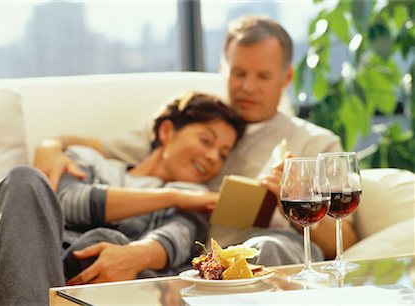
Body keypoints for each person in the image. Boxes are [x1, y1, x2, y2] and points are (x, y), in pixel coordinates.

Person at [34, 16, 357, 266]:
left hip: (266, 254)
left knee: (263, 249)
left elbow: (345, 241)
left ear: (286, 78)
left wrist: (293, 202)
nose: (247, 88)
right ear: (222, 69)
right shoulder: (193, 128)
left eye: (263, 77)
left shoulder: (316, 144)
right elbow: (85, 145)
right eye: (238, 73)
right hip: (183, 260)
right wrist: (48, 148)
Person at [0, 92, 246, 305]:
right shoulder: (89, 161)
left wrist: (134, 251)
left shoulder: (196, 199)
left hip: (89, 273)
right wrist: (171, 196)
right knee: (24, 180)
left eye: (223, 154)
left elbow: (171, 242)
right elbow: (66, 201)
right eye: (206, 141)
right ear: (167, 131)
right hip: (30, 254)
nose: (212, 157)